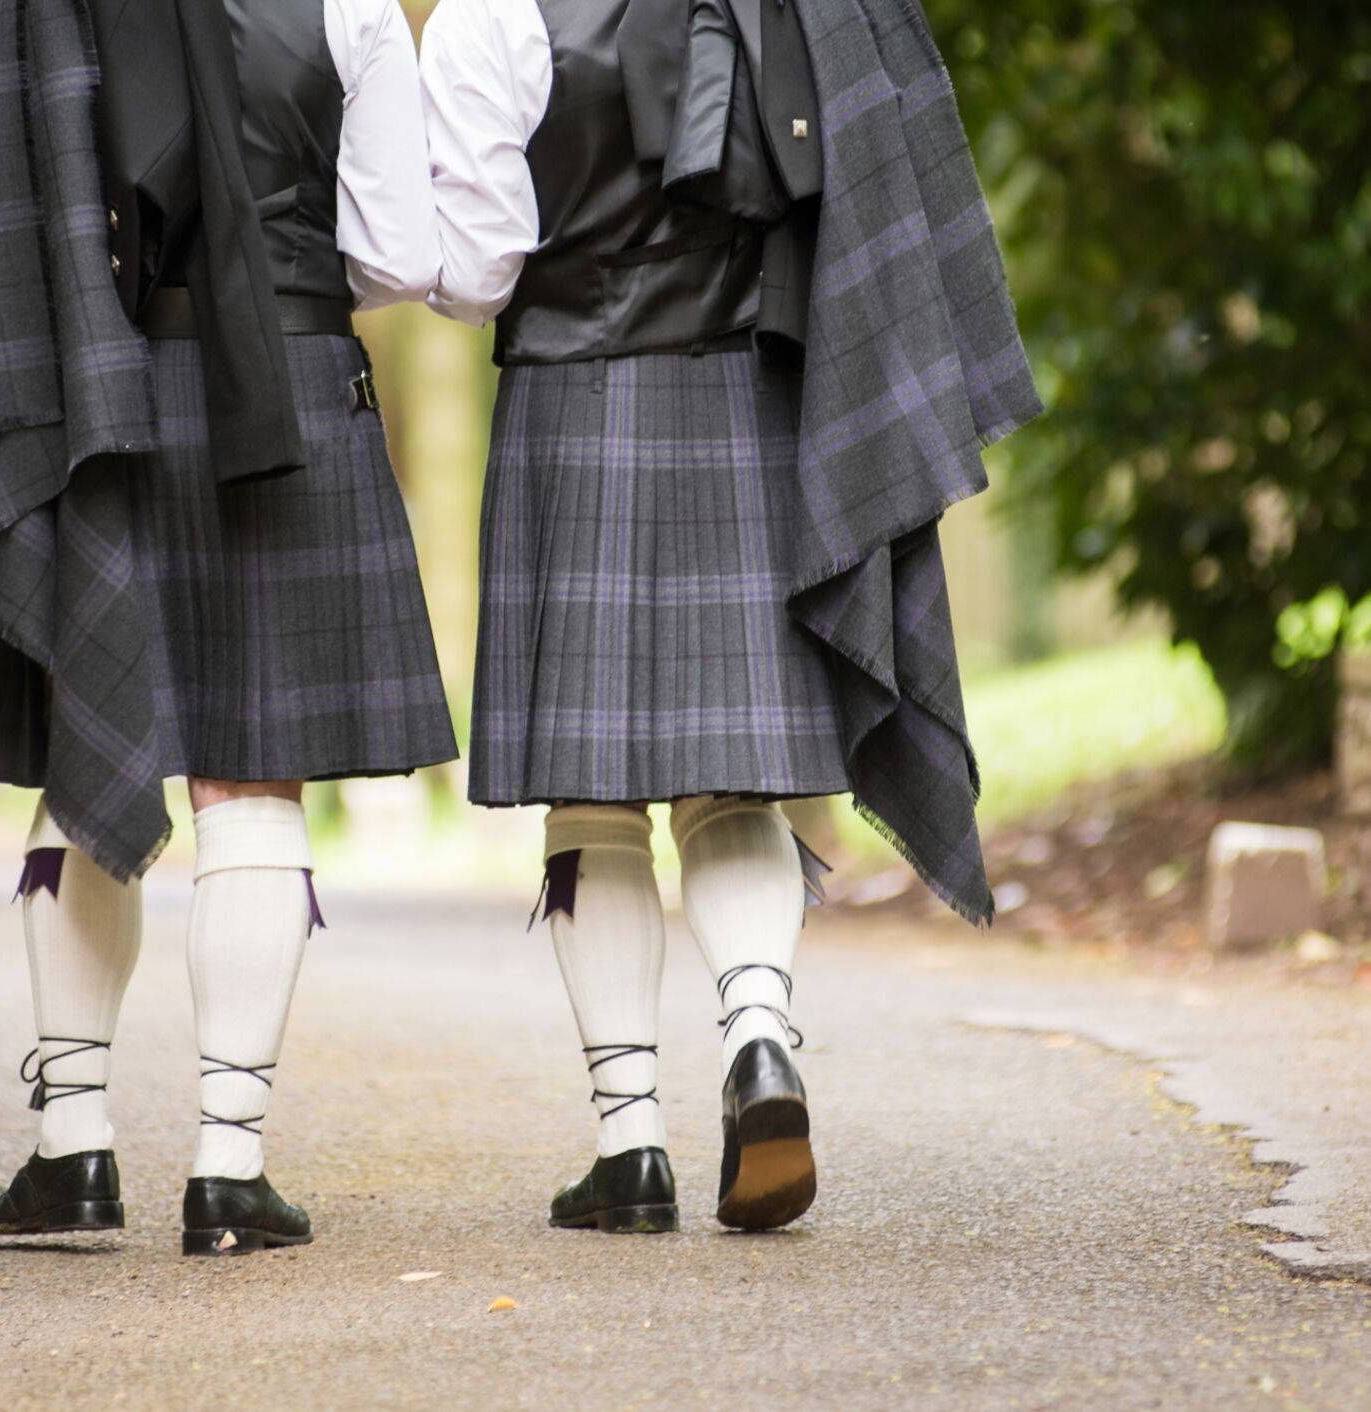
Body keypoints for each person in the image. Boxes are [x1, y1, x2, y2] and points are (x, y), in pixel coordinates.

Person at [420, 0, 1042, 1232]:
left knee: (591, 797)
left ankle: (628, 1142)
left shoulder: (487, 15)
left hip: (569, 394)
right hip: (745, 396)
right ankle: (759, 1032)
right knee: (735, 783)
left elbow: (479, 269)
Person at [0, 0, 455, 1255]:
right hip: (293, 380)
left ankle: (70, 1148)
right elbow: (405, 259)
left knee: (92, 727)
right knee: (252, 774)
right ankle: (228, 1167)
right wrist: (283, 274)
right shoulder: (351, 5)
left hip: (107, 389)